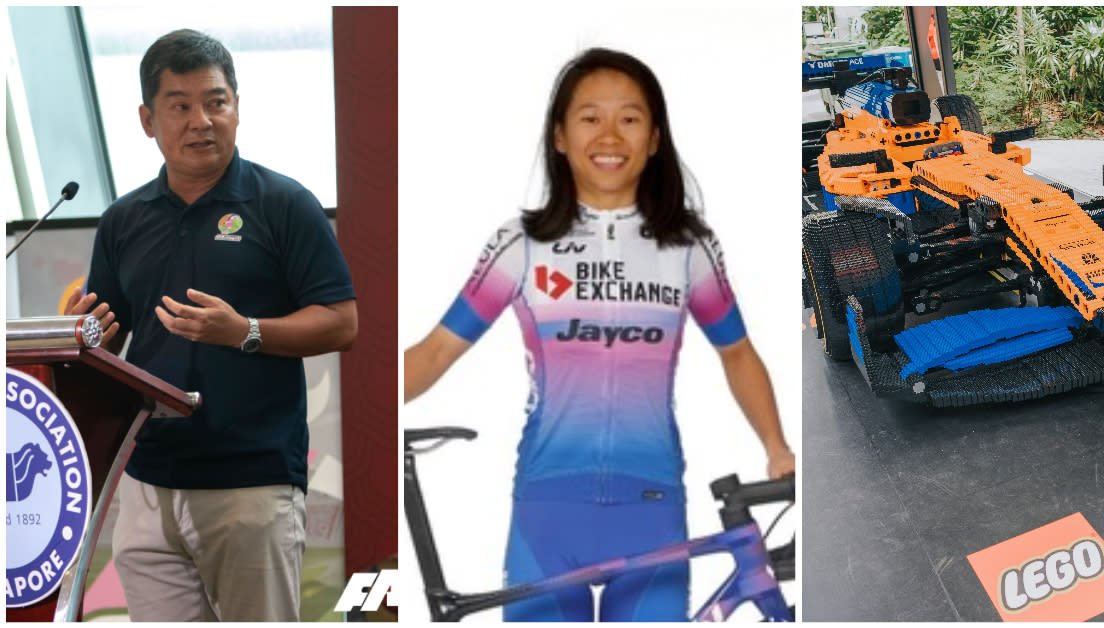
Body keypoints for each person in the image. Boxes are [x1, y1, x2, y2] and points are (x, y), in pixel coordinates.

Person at [404, 47, 793, 622]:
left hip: (651, 506)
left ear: (655, 137)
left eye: (629, 118)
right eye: (590, 117)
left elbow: (736, 351)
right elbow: (436, 350)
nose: (609, 135)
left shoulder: (687, 246)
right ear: (559, 135)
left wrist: (776, 447)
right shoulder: (522, 244)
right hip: (549, 507)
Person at [66, 29, 357, 621]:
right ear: (149, 120)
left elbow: (341, 322)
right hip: (147, 482)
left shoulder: (283, 204)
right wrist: (83, 335)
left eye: (216, 102)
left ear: (237, 107)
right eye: (180, 106)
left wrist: (245, 331)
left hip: (250, 483)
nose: (201, 120)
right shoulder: (122, 220)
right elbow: (112, 338)